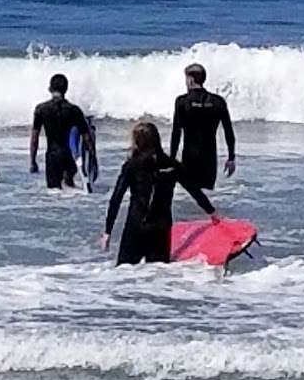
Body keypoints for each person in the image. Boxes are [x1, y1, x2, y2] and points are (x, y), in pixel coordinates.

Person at [101, 121, 219, 265]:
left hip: (136, 226)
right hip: (160, 228)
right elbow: (193, 190)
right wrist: (211, 211)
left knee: (124, 273)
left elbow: (116, 199)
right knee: (158, 276)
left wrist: (108, 231)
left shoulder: (132, 165)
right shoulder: (172, 165)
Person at [169, 63, 236, 190]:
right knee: (207, 198)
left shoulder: (182, 102)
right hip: (209, 159)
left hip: (189, 158)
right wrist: (231, 158)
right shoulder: (218, 101)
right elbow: (229, 131)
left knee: (191, 197)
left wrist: (172, 159)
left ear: (190, 79)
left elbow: (176, 132)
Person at [30, 73, 93, 189]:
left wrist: (33, 161)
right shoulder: (74, 110)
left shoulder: (41, 109)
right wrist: (92, 159)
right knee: (69, 188)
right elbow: (86, 137)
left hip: (52, 156)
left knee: (54, 193)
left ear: (50, 89)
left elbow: (35, 137)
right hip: (69, 156)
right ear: (66, 89)